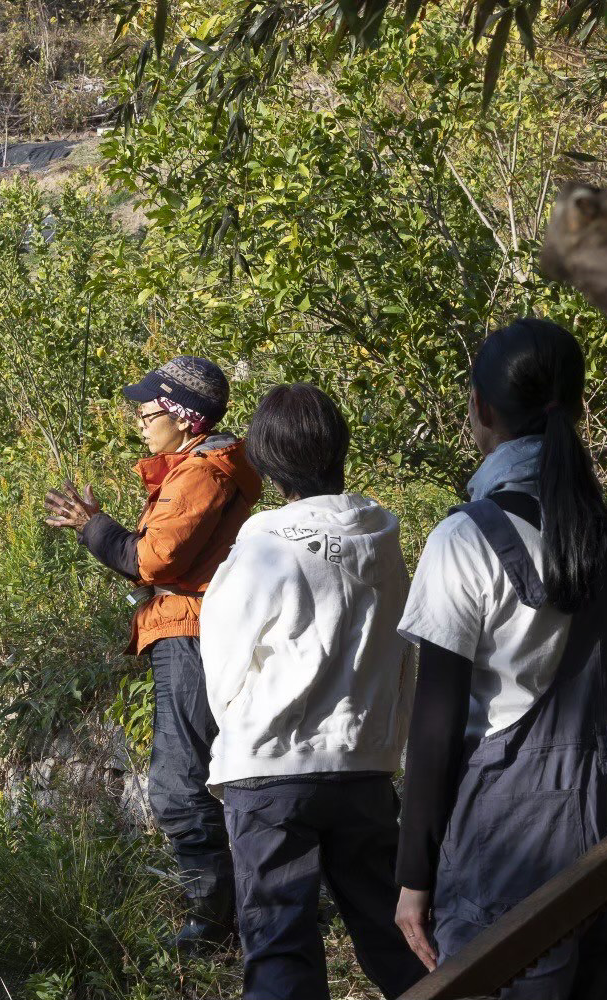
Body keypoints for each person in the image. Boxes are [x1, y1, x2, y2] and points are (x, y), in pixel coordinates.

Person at [393, 319, 607, 998]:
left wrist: (413, 879)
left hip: (508, 844)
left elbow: (433, 732)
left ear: (481, 409)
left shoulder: (464, 540)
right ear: (577, 408)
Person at [200, 384, 424, 1000]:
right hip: (364, 768)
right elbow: (406, 650)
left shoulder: (262, 547)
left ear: (267, 463)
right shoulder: (386, 542)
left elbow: (221, 667)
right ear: (339, 448)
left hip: (270, 772)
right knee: (394, 933)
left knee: (280, 953)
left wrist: (247, 729)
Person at [45, 356, 262, 951]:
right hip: (186, 626)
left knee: (180, 782)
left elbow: (153, 560)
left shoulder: (203, 473)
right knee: (204, 776)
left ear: (185, 419)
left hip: (189, 633)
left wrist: (96, 528)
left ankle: (212, 926)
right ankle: (237, 915)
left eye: (149, 413)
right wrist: (100, 529)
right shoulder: (203, 466)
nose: (141, 424)